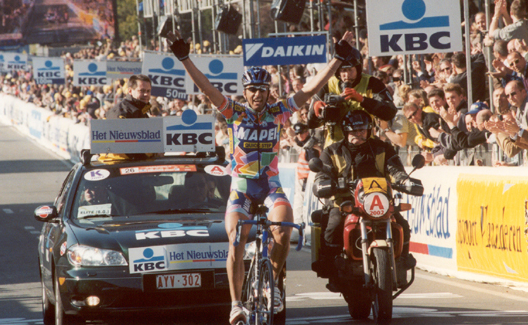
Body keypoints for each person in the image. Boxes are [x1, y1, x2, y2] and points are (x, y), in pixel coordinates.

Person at [166, 30, 356, 325]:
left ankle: (272, 283)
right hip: (241, 188)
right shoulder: (234, 112)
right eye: (252, 89)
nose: (257, 94)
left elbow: (309, 88)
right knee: (236, 240)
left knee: (283, 228)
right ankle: (235, 303)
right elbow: (206, 88)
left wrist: (337, 59)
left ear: (269, 92)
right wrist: (184, 58)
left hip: (269, 185)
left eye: (262, 90)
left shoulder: (279, 112)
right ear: (245, 91)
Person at [313, 110, 421, 290]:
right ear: (345, 132)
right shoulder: (332, 151)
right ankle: (332, 266)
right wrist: (324, 183)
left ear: (369, 131)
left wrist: (404, 180)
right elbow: (321, 175)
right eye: (353, 131)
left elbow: (395, 170)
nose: (358, 134)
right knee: (332, 225)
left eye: (362, 130)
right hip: (345, 202)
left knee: (402, 225)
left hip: (378, 201)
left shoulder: (382, 148)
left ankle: (401, 260)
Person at [308, 32, 397, 147]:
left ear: (358, 69)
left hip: (364, 143)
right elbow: (310, 123)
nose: (346, 75)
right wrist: (318, 112)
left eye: (350, 70)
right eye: (343, 71)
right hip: (335, 146)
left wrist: (363, 100)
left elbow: (389, 112)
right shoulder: (327, 84)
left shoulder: (372, 83)